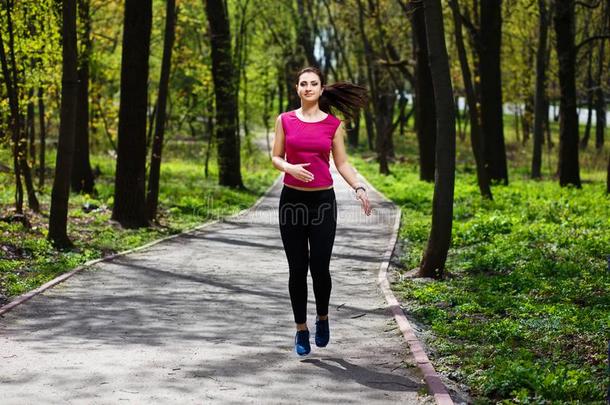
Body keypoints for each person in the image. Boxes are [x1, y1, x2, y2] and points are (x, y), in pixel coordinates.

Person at [271, 66, 372, 356]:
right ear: (297, 88)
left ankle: (323, 319)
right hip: (291, 202)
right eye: (303, 84)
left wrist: (359, 188)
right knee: (297, 269)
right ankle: (301, 329)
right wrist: (288, 167)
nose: (308, 88)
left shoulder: (333, 125)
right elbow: (276, 157)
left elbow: (341, 164)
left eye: (313, 83)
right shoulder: (285, 120)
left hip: (323, 204)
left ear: (321, 88)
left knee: (320, 268)